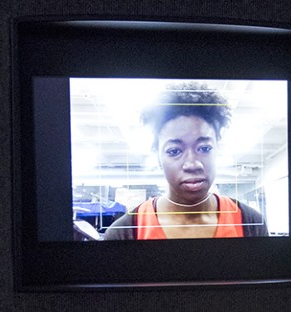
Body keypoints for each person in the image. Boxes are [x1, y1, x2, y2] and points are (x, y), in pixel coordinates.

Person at [105, 82, 268, 239]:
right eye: (174, 151)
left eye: (204, 148)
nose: (193, 164)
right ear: (157, 158)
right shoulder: (125, 231)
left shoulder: (250, 222)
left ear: (218, 149)